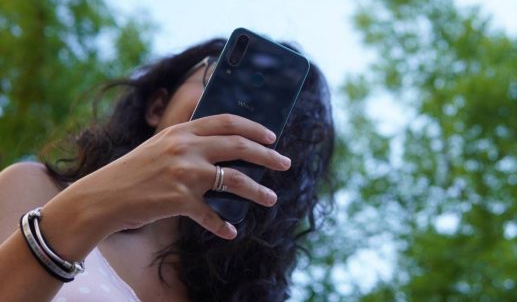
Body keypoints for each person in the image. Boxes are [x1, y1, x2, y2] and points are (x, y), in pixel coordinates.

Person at [0, 37, 335, 301]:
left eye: (269, 112)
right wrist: (91, 208)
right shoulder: (34, 189)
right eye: (220, 80)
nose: (235, 113)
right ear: (157, 107)